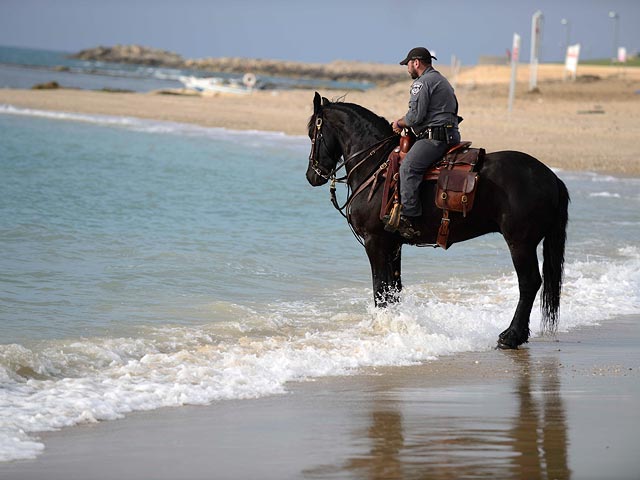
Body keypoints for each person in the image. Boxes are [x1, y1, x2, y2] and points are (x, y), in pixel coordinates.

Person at [385, 47, 461, 240]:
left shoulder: (422, 83)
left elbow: (415, 117)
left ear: (416, 63)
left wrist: (398, 123)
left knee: (408, 168)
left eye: (408, 64)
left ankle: (410, 219)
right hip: (450, 134)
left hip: (434, 138)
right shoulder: (440, 79)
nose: (407, 68)